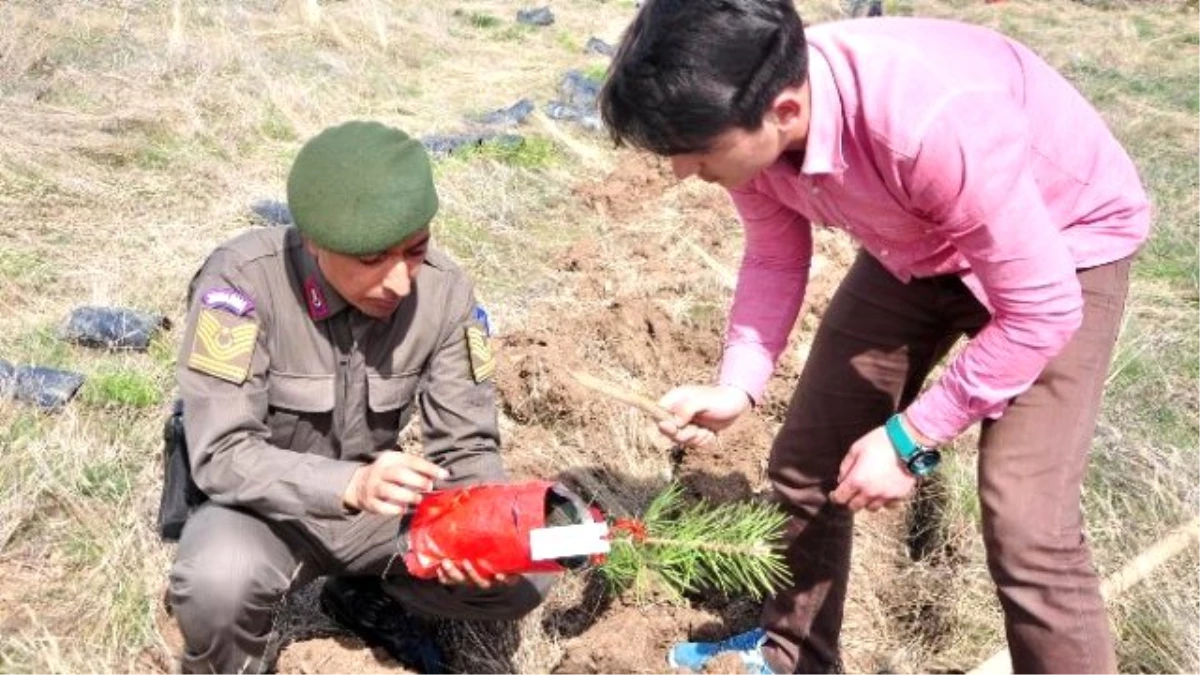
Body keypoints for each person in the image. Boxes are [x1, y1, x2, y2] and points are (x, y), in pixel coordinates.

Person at [600, 2, 1149, 674]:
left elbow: (1041, 309)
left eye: (696, 151)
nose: (684, 170)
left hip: (1060, 250)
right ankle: (792, 654)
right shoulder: (750, 125)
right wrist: (738, 383)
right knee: (806, 462)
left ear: (786, 112)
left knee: (1028, 523)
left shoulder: (928, 122)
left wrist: (909, 437)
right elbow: (774, 254)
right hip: (919, 243)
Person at [165, 120, 552, 674]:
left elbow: (467, 447)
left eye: (415, 251)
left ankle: (367, 596)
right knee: (217, 579)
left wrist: (484, 530)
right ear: (315, 241)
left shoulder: (445, 295)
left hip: (378, 512)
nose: (399, 282)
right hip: (266, 510)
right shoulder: (243, 284)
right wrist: (346, 484)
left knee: (527, 565)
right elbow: (221, 454)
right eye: (373, 259)